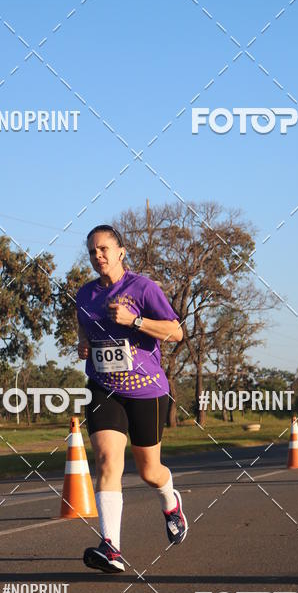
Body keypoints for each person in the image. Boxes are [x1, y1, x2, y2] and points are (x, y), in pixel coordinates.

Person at [75, 224, 187, 573]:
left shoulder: (143, 287)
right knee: (107, 463)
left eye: (105, 249)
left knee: (149, 471)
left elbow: (175, 332)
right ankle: (111, 547)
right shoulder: (85, 294)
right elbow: (84, 327)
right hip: (103, 387)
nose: (98, 256)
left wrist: (135, 320)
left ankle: (170, 503)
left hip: (147, 391)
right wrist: (84, 345)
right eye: (93, 251)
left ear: (121, 251)